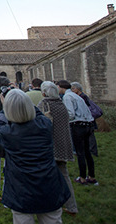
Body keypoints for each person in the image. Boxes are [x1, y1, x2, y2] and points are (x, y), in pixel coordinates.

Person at [0, 89, 71, 224]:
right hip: (49, 183)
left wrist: (6, 104)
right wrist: (24, 102)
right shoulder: (45, 126)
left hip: (21, 189)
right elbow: (38, 113)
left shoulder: (7, 134)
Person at [38, 81, 78, 216]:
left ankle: (48, 206)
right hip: (63, 146)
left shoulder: (44, 104)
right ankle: (72, 207)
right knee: (64, 176)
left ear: (43, 93)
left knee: (44, 177)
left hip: (48, 147)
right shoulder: (62, 104)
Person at [58, 80, 98, 185]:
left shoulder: (67, 97)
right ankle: (92, 177)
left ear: (61, 87)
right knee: (87, 152)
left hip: (78, 126)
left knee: (80, 153)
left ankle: (83, 178)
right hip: (88, 125)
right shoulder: (77, 96)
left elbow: (70, 114)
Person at [70, 82, 99, 156]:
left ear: (78, 89)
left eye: (73, 88)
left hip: (87, 119)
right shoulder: (78, 96)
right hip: (85, 119)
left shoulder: (82, 97)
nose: (72, 90)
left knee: (90, 137)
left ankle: (92, 152)